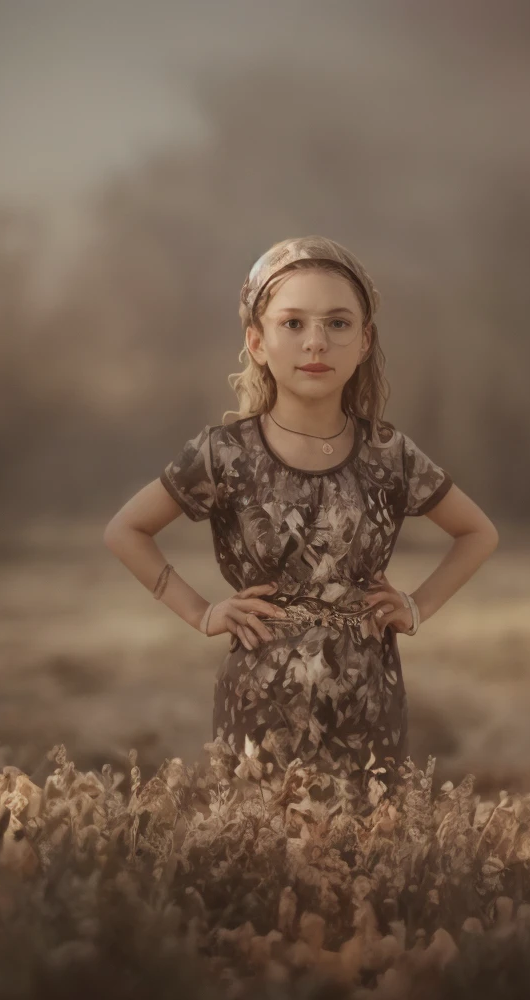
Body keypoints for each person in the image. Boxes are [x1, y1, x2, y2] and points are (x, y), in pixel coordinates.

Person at [104, 235, 499, 788]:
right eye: (292, 323)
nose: (316, 342)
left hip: (370, 701)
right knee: (262, 857)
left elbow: (478, 532)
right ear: (257, 341)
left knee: (367, 860)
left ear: (364, 342)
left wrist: (416, 606)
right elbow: (126, 530)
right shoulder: (224, 453)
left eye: (337, 324)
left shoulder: (390, 453)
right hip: (259, 702)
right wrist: (201, 613)